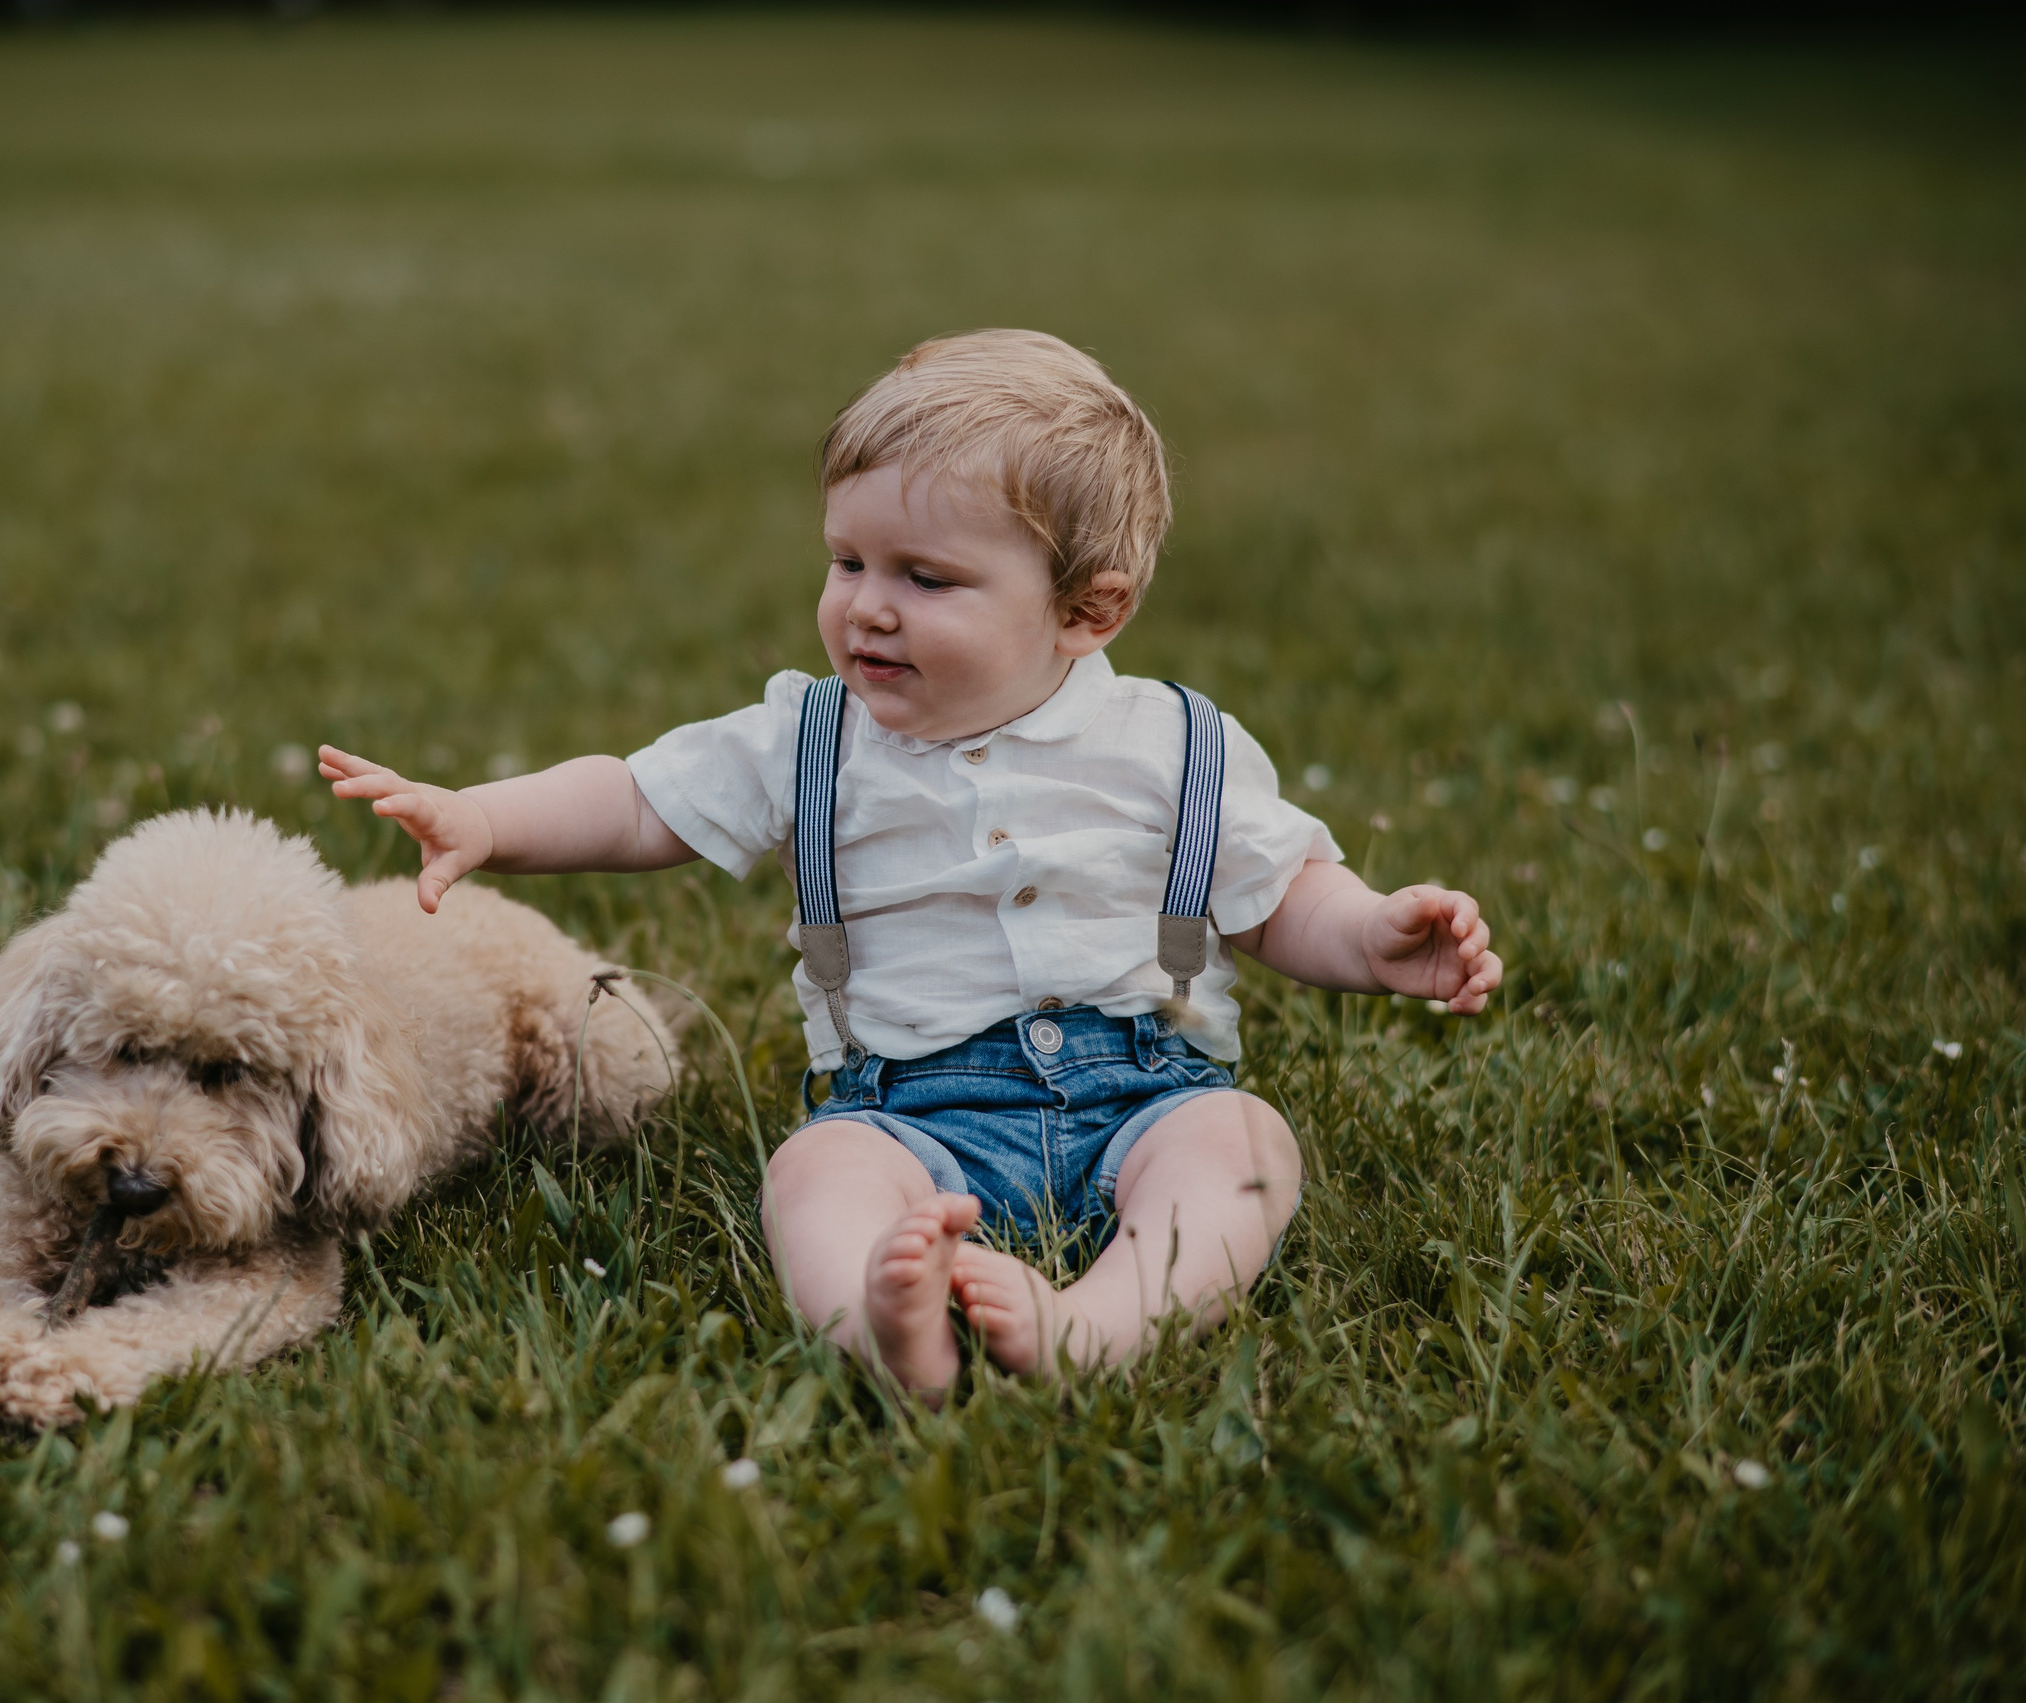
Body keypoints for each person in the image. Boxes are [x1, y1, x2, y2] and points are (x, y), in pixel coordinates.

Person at [322, 329, 1502, 1397]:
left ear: (1088, 611)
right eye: (847, 563)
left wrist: (1368, 936)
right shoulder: (812, 736)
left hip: (1146, 1093)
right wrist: (485, 816)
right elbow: (639, 800)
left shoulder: (1172, 744)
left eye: (924, 579)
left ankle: (1101, 1321)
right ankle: (884, 1329)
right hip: (906, 1106)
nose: (866, 611)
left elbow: (1275, 894)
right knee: (814, 1172)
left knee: (1245, 1148)